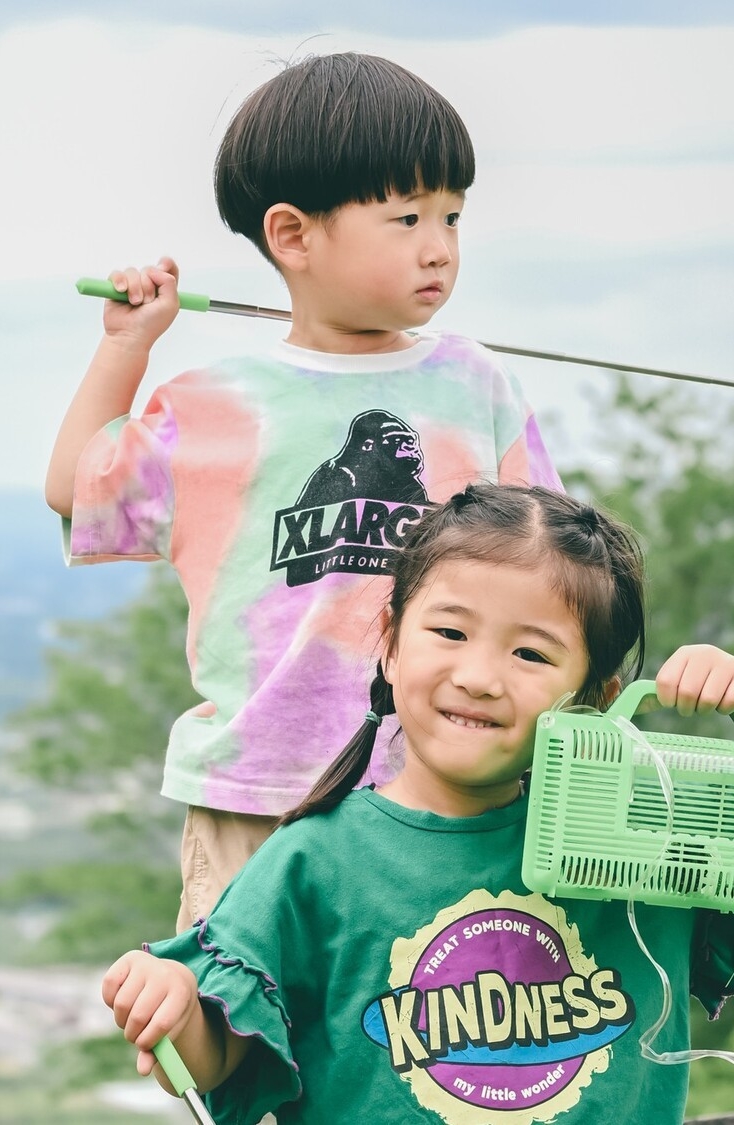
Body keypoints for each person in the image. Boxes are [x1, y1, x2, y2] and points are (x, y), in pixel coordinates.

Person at [100, 484, 734, 1124]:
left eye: (531, 653)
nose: (480, 675)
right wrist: (174, 1005)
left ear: (593, 697)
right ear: (392, 644)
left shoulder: (633, 825)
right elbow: (214, 1059)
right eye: (450, 631)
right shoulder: (313, 861)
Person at [44, 53, 559, 934]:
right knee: (244, 1030)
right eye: (405, 217)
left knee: (421, 1031)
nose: (439, 245)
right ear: (292, 235)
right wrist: (129, 345)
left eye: (452, 216)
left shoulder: (476, 386)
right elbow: (77, 486)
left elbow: (555, 567)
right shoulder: (212, 405)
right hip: (259, 788)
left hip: (444, 784)